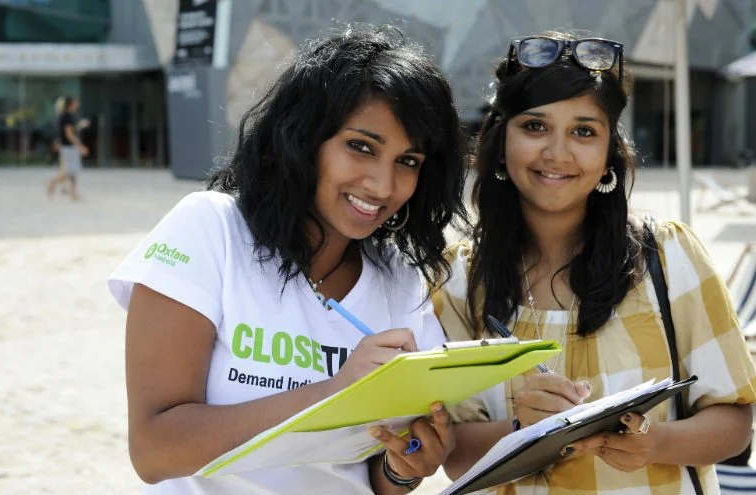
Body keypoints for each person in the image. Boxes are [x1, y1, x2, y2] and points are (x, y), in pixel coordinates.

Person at [108, 26, 468, 494]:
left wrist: (404, 468)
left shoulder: (400, 281)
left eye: (408, 161)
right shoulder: (210, 232)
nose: (382, 185)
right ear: (302, 137)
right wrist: (334, 393)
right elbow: (155, 451)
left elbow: (375, 474)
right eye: (361, 147)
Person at [434, 32, 756, 493]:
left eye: (583, 131)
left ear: (609, 154)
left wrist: (656, 441)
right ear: (502, 143)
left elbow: (735, 423)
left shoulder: (668, 255)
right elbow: (456, 456)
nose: (557, 153)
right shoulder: (458, 281)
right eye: (535, 127)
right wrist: (521, 425)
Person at [46, 96, 88, 200]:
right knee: (69, 172)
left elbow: (70, 130)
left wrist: (79, 126)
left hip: (66, 146)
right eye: (75, 102)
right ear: (71, 104)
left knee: (73, 172)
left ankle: (73, 194)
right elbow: (69, 133)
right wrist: (80, 145)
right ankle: (51, 183)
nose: (77, 104)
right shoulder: (67, 116)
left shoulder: (64, 116)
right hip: (69, 147)